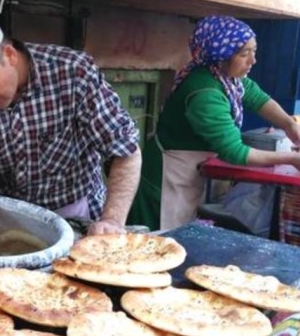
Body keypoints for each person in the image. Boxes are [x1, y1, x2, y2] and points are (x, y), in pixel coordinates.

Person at [0, 14, 142, 255]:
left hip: (74, 216)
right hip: (9, 222)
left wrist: (113, 221)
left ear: (10, 56)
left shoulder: (72, 73)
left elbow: (126, 151)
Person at [128, 15, 300, 231]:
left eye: (253, 51)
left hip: (186, 172)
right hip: (165, 178)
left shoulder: (227, 78)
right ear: (220, 56)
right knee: (157, 239)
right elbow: (235, 152)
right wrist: (292, 159)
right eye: (244, 54)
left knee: (179, 235)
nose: (252, 61)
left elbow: (257, 97)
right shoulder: (205, 92)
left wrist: (289, 124)